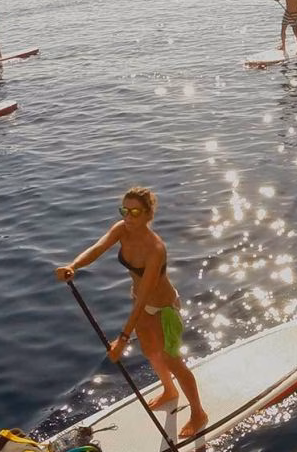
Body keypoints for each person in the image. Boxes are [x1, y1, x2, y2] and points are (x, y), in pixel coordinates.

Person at [55, 187, 208, 438]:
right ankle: (169, 390)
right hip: (139, 301)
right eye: (124, 210)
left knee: (173, 361)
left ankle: (198, 413)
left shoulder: (155, 248)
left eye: (134, 212)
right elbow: (97, 248)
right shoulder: (121, 229)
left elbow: (146, 295)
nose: (128, 216)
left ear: (148, 214)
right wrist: (74, 266)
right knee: (149, 350)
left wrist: (123, 339)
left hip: (163, 308)